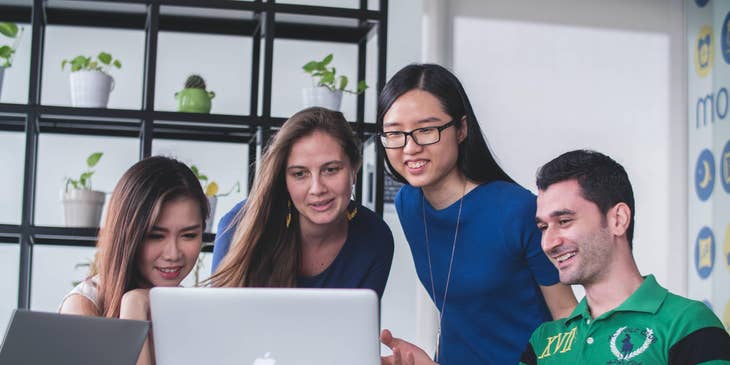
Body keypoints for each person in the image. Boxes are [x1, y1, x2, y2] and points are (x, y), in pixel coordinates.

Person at [378, 64, 577, 365]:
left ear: (461, 129)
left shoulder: (517, 209)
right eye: (395, 133)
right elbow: (461, 313)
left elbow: (566, 316)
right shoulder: (409, 204)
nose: (410, 147)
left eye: (427, 130)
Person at [520, 149, 730, 364]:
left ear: (618, 220)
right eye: (543, 227)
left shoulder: (686, 323)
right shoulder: (543, 341)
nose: (548, 243)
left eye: (564, 221)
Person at [209, 107, 394, 298]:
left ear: (354, 169)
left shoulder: (375, 238)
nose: (317, 188)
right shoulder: (240, 224)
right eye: (299, 174)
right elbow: (220, 320)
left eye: (330, 169)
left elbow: (358, 325)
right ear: (284, 179)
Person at [59, 156, 209, 365]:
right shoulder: (82, 307)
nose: (173, 254)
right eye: (155, 236)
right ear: (126, 236)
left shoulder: (192, 308)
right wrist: (134, 305)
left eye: (189, 235)